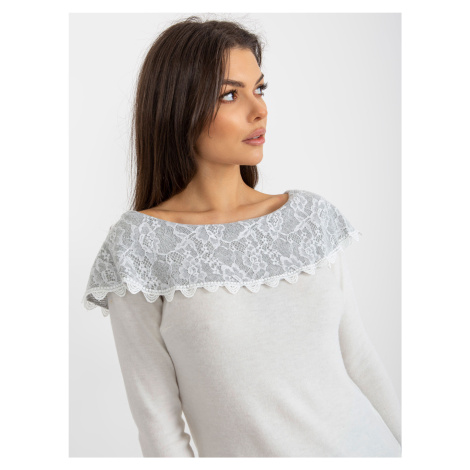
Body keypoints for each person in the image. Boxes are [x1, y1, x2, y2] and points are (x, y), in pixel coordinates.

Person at [82, 16, 401, 458]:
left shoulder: (309, 218)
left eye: (260, 89)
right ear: (178, 108)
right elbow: (160, 429)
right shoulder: (139, 249)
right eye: (230, 94)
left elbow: (360, 360)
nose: (259, 110)